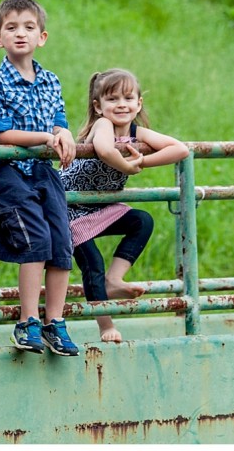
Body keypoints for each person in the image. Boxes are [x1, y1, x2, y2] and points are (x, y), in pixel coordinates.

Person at [0, 0, 79, 357]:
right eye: (11, 28)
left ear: (42, 37)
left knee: (61, 241)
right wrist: (47, 138)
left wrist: (63, 134)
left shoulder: (51, 81)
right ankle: (28, 320)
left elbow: (60, 122)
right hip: (7, 172)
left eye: (29, 27)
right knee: (34, 237)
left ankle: (55, 321)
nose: (20, 34)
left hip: (42, 170)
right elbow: (2, 134)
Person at [60, 68, 189, 342]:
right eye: (113, 99)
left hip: (101, 206)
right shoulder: (102, 125)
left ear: (139, 103)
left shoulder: (136, 131)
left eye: (128, 98)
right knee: (92, 263)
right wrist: (128, 168)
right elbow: (106, 150)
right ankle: (106, 325)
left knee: (142, 220)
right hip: (69, 206)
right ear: (98, 106)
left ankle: (114, 280)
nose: (121, 104)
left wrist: (143, 160)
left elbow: (180, 149)